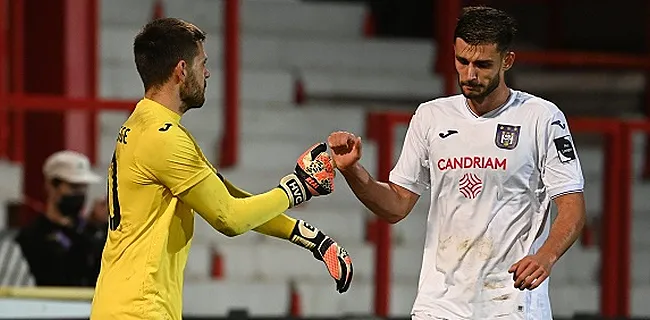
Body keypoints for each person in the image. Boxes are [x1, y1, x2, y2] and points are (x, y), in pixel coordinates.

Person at [328, 6, 585, 320]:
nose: (470, 74)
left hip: (510, 303)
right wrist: (353, 171)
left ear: (508, 61)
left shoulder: (541, 118)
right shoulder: (430, 116)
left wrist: (546, 256)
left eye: (483, 64)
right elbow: (396, 205)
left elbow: (572, 208)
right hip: (438, 305)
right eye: (462, 61)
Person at [90, 18, 352, 320]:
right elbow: (230, 219)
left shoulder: (144, 125)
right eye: (202, 63)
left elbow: (228, 197)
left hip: (120, 304)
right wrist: (299, 187)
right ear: (181, 70)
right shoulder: (165, 140)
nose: (207, 73)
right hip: (140, 309)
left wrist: (308, 236)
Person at [15, 150, 104, 287]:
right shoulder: (33, 234)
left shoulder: (93, 231)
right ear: (51, 185)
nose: (80, 194)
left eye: (84, 187)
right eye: (74, 187)